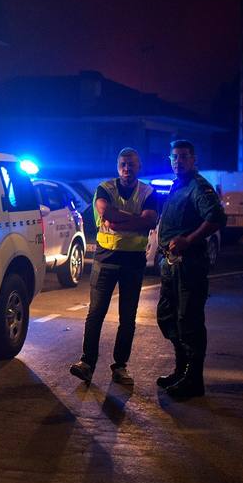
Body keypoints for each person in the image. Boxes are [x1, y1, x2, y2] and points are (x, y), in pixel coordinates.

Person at [70, 148, 159, 388]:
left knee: (127, 318)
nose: (127, 169)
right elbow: (105, 212)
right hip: (105, 259)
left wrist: (119, 221)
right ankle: (87, 363)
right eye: (123, 164)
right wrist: (134, 220)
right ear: (118, 166)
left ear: (139, 166)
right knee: (95, 314)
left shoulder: (148, 192)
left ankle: (120, 367)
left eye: (131, 164)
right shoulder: (105, 188)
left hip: (133, 262)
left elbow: (150, 220)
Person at [154, 139, 226, 399]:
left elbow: (217, 217)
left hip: (189, 264)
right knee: (167, 316)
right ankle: (181, 369)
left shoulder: (198, 186)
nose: (178, 161)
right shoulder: (178, 185)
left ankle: (194, 379)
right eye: (174, 157)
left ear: (194, 159)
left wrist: (189, 240)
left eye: (184, 156)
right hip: (170, 264)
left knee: (189, 321)